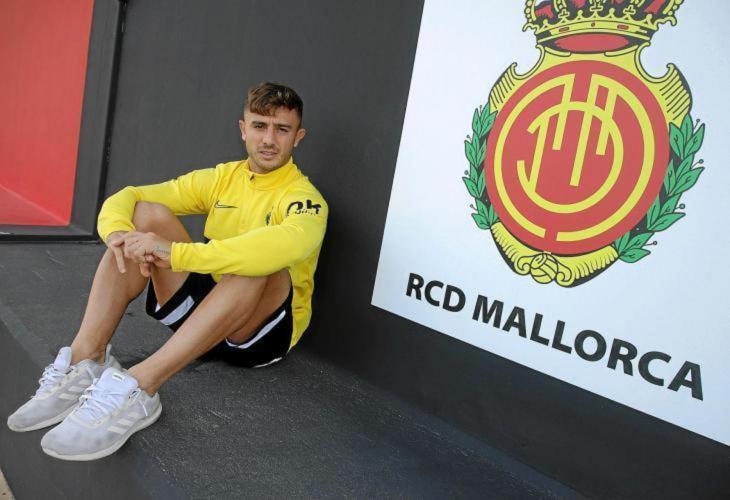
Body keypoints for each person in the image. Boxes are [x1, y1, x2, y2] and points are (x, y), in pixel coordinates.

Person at [6, 82, 328, 461]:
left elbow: (280, 247)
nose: (269, 139)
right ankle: (86, 358)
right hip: (207, 315)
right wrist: (117, 233)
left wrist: (175, 254)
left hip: (256, 336)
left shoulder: (305, 199)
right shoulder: (223, 178)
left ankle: (141, 387)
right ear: (243, 129)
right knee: (146, 215)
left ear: (298, 137)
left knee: (260, 265)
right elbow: (131, 196)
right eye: (260, 126)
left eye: (282, 129)